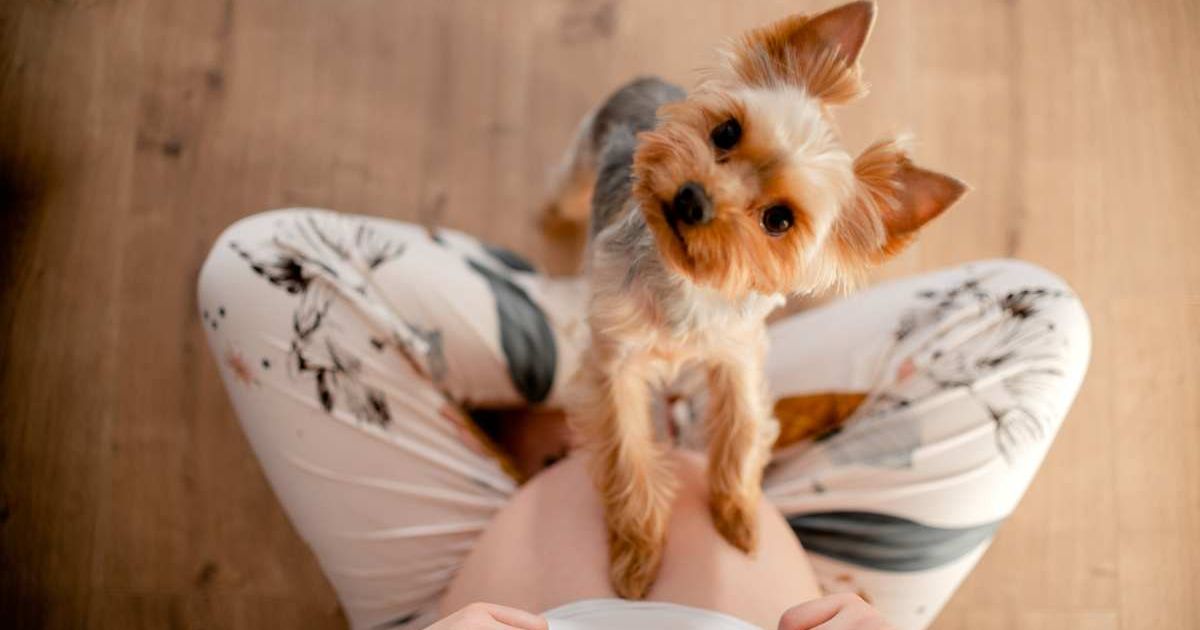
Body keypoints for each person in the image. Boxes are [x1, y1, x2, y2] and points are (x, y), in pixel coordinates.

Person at [197, 209, 1090, 629]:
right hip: (808, 572)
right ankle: (684, 343)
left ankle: (611, 336)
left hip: (456, 591)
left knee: (257, 272)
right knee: (1032, 321)